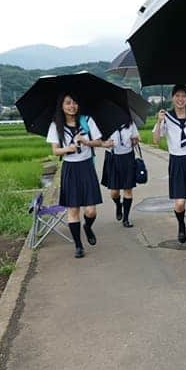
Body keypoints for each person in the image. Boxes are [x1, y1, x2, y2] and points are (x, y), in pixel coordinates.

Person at [46, 93, 113, 258]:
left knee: (90, 211)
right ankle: (78, 245)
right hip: (70, 168)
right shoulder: (56, 125)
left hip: (86, 167)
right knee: (73, 210)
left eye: (75, 102)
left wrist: (85, 141)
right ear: (62, 106)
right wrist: (67, 149)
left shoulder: (87, 120)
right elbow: (55, 151)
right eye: (68, 103)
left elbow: (98, 141)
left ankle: (88, 227)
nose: (72, 106)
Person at [152, 84, 186, 247]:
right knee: (180, 203)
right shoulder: (166, 117)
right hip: (177, 161)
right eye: (177, 96)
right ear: (172, 98)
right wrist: (159, 121)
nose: (180, 99)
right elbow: (156, 139)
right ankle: (181, 225)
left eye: (184, 96)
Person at [101, 120, 140, 228]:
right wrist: (105, 143)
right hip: (112, 157)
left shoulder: (130, 123)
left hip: (128, 157)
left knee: (128, 189)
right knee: (114, 192)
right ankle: (118, 205)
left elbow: (136, 138)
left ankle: (126, 219)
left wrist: (135, 140)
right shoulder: (106, 123)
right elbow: (99, 141)